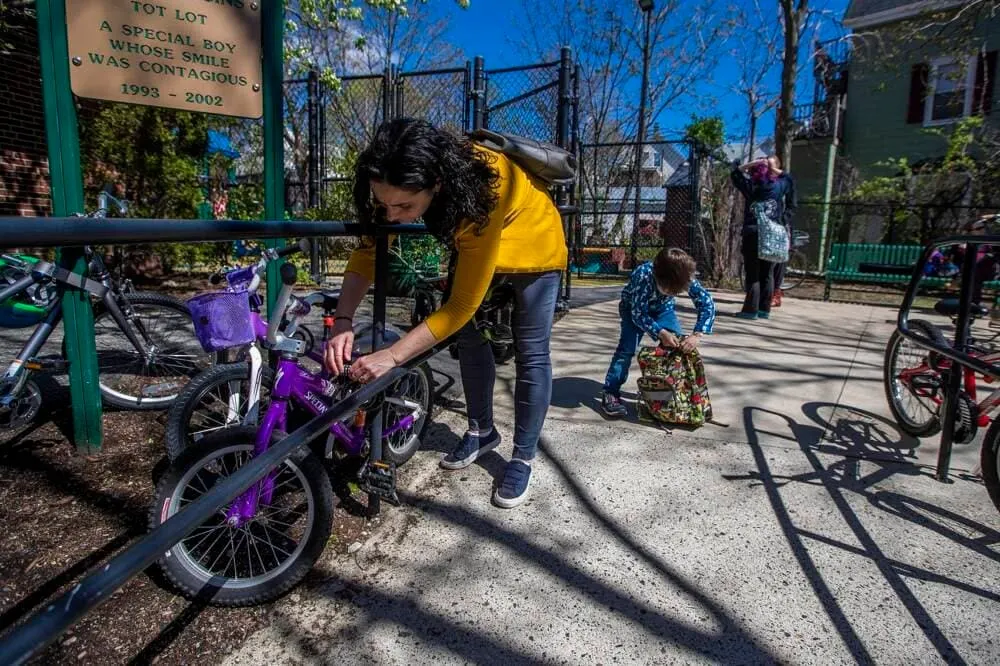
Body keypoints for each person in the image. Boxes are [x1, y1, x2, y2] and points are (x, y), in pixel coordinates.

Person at [324, 118, 567, 509]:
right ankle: (481, 430)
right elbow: (369, 251)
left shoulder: (484, 185)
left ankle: (522, 456)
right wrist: (343, 321)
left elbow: (458, 306)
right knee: (469, 339)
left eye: (405, 206)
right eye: (384, 203)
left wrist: (392, 355)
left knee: (531, 350)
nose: (393, 214)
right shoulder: (389, 178)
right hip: (481, 238)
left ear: (436, 183)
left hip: (534, 243)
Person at [600, 247, 716, 418]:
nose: (673, 293)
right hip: (632, 309)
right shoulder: (643, 275)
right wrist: (660, 332)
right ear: (658, 276)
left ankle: (667, 395)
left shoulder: (685, 276)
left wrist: (697, 334)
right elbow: (638, 314)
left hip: (663, 309)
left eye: (676, 292)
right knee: (626, 350)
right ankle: (611, 392)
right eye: (670, 290)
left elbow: (707, 303)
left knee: (677, 349)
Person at [731, 155, 795, 319]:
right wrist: (773, 169)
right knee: (767, 273)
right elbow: (789, 179)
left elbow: (735, 173)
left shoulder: (751, 186)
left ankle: (750, 310)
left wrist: (753, 163)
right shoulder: (779, 185)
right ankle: (764, 309)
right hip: (772, 234)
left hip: (753, 232)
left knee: (753, 273)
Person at [770, 160, 797, 307]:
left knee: (779, 262)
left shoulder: (785, 183)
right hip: (766, 227)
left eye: (772, 166)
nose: (769, 169)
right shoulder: (766, 183)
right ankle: (764, 293)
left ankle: (776, 293)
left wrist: (783, 219)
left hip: (781, 227)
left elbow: (792, 205)